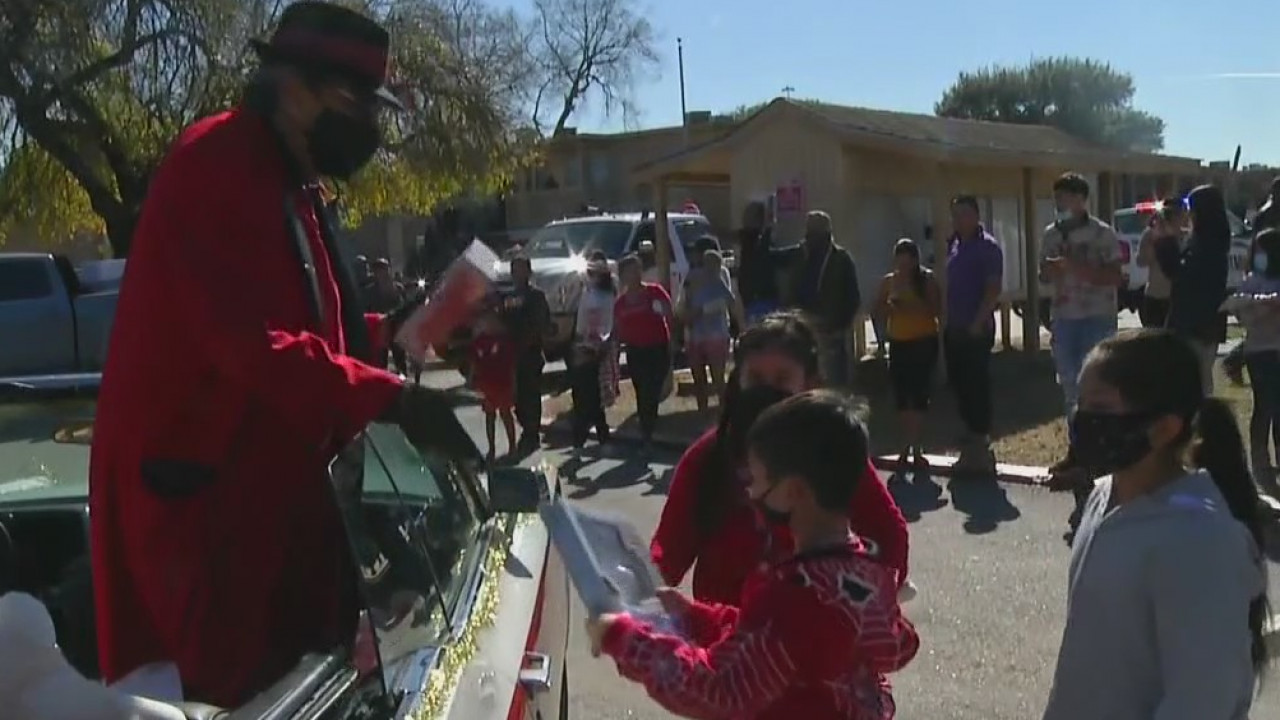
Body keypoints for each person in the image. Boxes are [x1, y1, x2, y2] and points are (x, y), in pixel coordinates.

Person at [88, 2, 479, 706]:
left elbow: (311, 324)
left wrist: (394, 332)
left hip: (276, 514)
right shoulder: (214, 165)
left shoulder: (287, 181)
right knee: (241, 700)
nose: (370, 127)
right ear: (294, 86)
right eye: (357, 103)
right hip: (208, 527)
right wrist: (390, 397)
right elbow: (251, 343)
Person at [589, 391, 920, 720]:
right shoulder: (865, 575)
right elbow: (773, 640)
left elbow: (718, 691)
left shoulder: (794, 596)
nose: (749, 493)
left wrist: (622, 638)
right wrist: (697, 618)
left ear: (793, 492)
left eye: (757, 480)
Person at [1041, 329, 1271, 720]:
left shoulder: (1201, 540)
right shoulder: (1102, 497)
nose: (1082, 421)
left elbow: (1203, 697)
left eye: (1100, 409)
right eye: (1080, 406)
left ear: (1164, 428)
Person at [651, 311, 911, 607]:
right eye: (756, 378)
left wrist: (871, 605)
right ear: (739, 382)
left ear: (809, 384)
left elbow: (889, 536)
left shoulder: (834, 451)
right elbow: (667, 552)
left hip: (815, 632)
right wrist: (635, 600)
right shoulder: (709, 456)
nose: (767, 390)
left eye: (782, 379)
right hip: (727, 640)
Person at [1040, 173, 1122, 494]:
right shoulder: (1051, 234)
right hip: (1064, 318)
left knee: (1098, 389)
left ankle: (1102, 456)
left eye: (1066, 197)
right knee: (1071, 390)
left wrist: (1076, 266)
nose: (1060, 204)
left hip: (1096, 318)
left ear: (1081, 199)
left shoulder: (1103, 234)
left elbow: (1115, 276)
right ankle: (1077, 454)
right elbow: (1044, 275)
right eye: (1057, 198)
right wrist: (1050, 270)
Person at [943, 195, 1003, 474]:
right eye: (955, 214)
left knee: (976, 386)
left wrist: (978, 322)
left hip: (976, 328)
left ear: (976, 215)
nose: (959, 220)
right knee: (960, 386)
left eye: (964, 214)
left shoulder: (988, 247)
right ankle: (969, 445)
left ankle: (980, 446)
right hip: (954, 327)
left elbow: (992, 290)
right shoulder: (954, 245)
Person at [874, 238, 941, 471]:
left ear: (914, 260)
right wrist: (889, 309)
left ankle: (917, 447)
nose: (902, 267)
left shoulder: (926, 280)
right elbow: (878, 309)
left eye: (907, 261)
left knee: (919, 393)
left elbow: (935, 309)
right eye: (899, 261)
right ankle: (906, 445)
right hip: (899, 342)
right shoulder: (889, 282)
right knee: (902, 395)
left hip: (923, 341)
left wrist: (910, 306)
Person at [1221, 227, 1280, 495]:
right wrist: (1259, 306)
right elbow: (1242, 312)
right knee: (1264, 404)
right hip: (1259, 350)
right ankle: (1260, 464)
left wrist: (1259, 305)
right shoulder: (1252, 281)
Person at [1158, 184, 1231, 394]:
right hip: (1190, 321)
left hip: (1199, 323)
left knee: (1196, 383)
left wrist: (1167, 245)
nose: (1189, 213)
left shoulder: (1210, 245)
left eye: (1192, 207)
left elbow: (1184, 276)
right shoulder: (1198, 241)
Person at [783, 210, 861, 387]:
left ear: (826, 234)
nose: (810, 239)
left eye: (815, 234)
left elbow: (852, 297)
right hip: (803, 326)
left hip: (830, 328)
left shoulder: (841, 259)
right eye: (809, 233)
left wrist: (839, 325)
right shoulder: (800, 256)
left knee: (834, 382)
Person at [613, 254, 674, 451]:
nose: (635, 274)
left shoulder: (654, 292)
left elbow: (669, 312)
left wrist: (672, 334)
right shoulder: (620, 303)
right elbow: (616, 328)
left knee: (653, 388)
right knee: (642, 389)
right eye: (630, 271)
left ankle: (649, 424)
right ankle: (646, 432)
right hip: (635, 350)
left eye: (637, 269)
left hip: (657, 348)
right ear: (623, 275)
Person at [681, 247, 742, 411]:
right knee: (698, 378)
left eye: (714, 264)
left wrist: (740, 328)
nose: (710, 267)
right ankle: (702, 410)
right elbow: (685, 306)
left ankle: (723, 411)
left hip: (716, 335)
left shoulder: (720, 281)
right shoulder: (693, 279)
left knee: (718, 377)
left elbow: (732, 303)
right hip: (695, 335)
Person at [502, 253, 551, 453]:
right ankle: (527, 427)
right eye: (515, 270)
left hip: (530, 353)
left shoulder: (536, 296)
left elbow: (541, 323)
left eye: (522, 269)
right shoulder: (508, 297)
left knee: (531, 394)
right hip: (512, 355)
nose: (518, 274)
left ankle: (532, 432)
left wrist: (527, 341)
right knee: (518, 398)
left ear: (529, 272)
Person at [570, 252, 616, 449]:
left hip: (603, 348)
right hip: (585, 347)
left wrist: (606, 343)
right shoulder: (586, 293)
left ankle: (602, 436)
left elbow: (612, 321)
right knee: (583, 394)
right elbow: (581, 321)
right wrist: (580, 341)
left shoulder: (610, 294)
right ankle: (580, 440)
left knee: (598, 394)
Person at [469, 306, 517, 462]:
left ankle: (512, 447)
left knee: (506, 414)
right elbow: (474, 362)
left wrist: (514, 383)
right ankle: (491, 448)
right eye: (485, 321)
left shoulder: (504, 340)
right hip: (487, 384)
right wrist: (472, 379)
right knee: (490, 416)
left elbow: (511, 364)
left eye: (491, 320)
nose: (488, 324)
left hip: (503, 383)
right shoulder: (479, 341)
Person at [1136, 199, 1184, 329]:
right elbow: (1141, 261)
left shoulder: (1185, 236)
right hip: (1154, 295)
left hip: (1176, 298)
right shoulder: (1150, 234)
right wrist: (1156, 241)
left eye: (1176, 214)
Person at [735, 200, 783, 322]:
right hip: (750, 298)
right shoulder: (747, 237)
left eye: (748, 215)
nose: (744, 219)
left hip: (761, 297)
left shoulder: (763, 239)